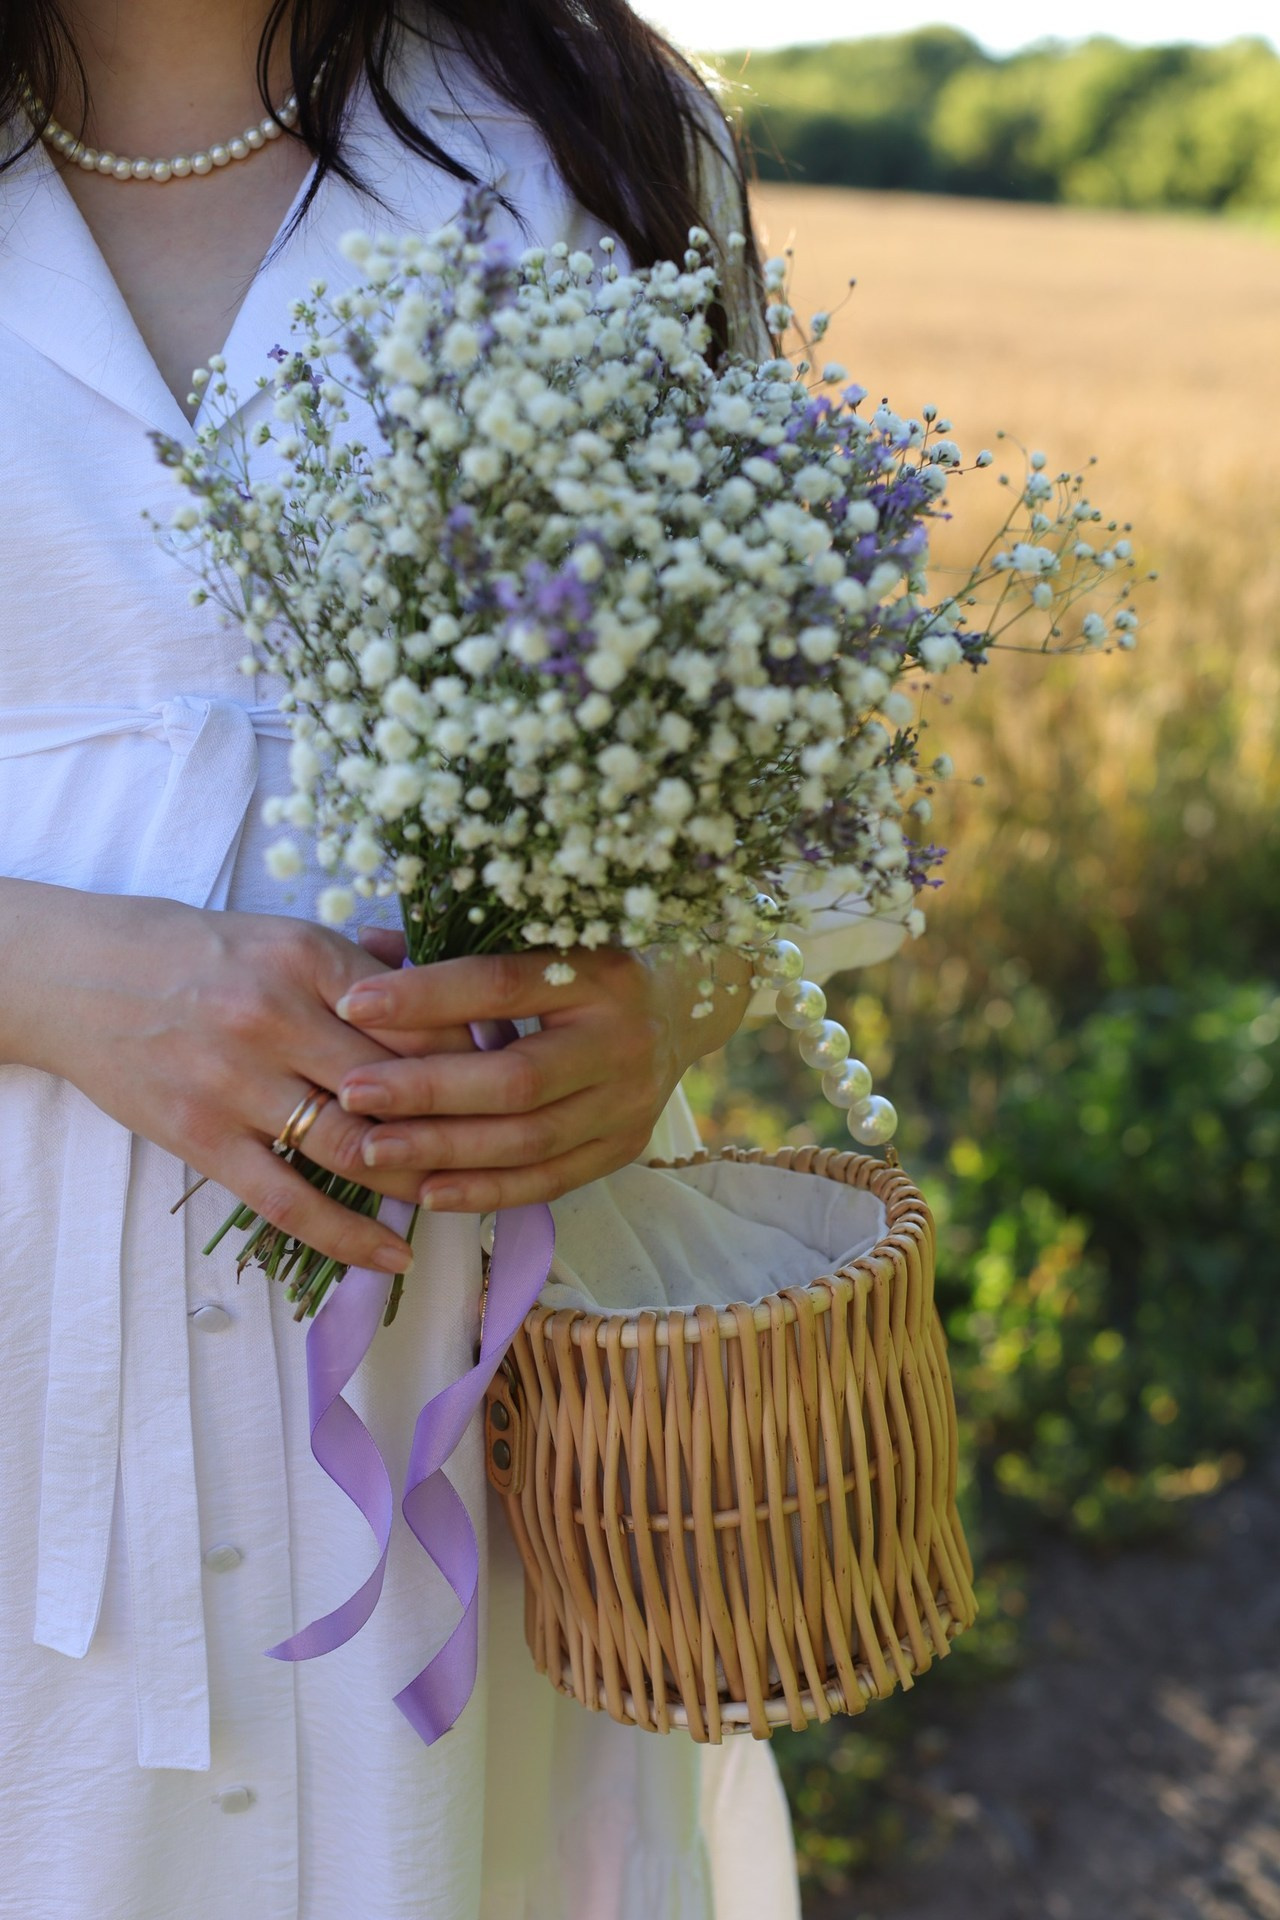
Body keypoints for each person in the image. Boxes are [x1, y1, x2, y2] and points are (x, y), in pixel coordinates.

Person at [0, 4, 907, 1915]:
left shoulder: (590, 127)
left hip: (484, 1405)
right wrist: (48, 971)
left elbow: (802, 773)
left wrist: (659, 1012)